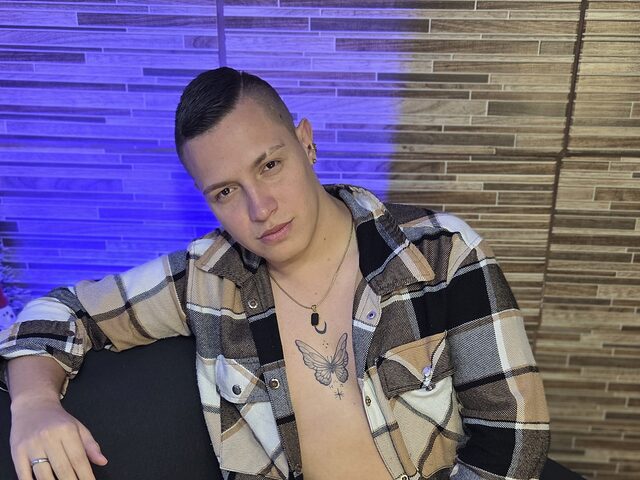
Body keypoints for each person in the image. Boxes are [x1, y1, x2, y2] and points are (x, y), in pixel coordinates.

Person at [0, 67, 550, 480]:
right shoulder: (207, 277)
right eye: (225, 191)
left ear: (306, 142)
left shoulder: (440, 253)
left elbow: (513, 437)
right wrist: (33, 404)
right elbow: (58, 312)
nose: (260, 208)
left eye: (269, 165)